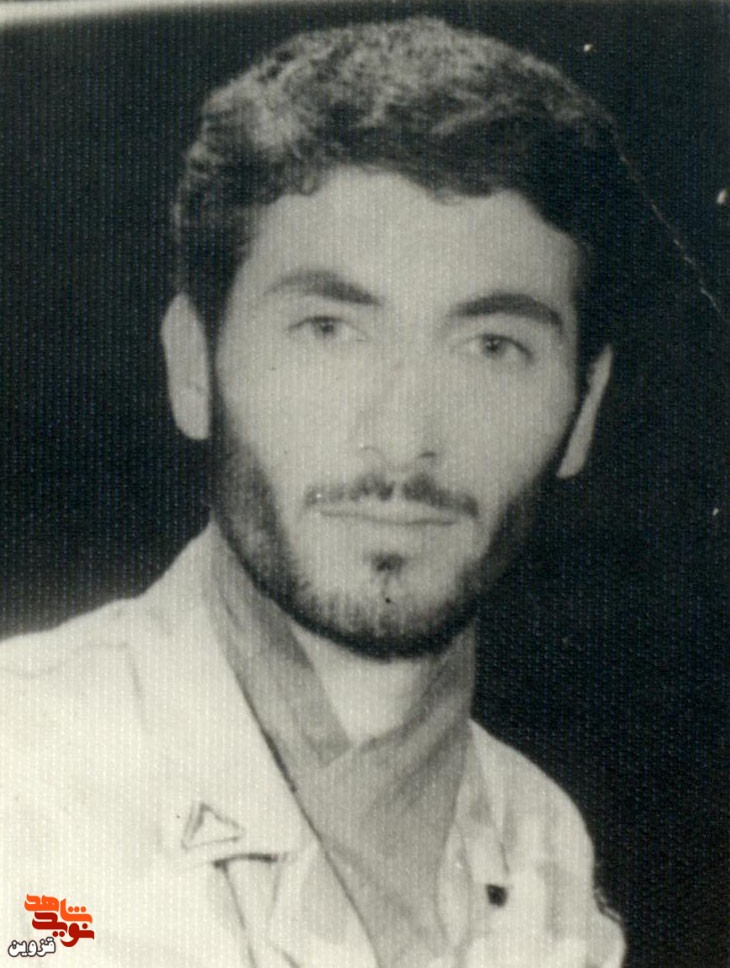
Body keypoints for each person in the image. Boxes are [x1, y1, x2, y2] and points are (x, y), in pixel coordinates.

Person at [0, 16, 632, 968]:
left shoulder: (546, 851)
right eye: (329, 330)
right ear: (194, 367)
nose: (406, 438)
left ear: (583, 410)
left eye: (492, 347)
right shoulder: (20, 776)